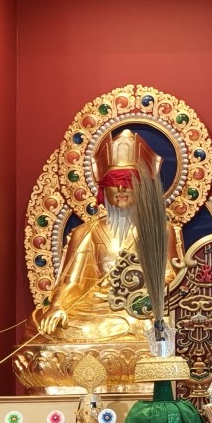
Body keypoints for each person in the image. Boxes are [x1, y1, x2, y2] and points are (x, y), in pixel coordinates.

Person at [28, 128, 183, 343]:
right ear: (102, 189)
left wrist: (138, 290)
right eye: (113, 182)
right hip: (94, 308)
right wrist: (57, 306)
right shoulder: (86, 232)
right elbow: (72, 281)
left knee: (152, 324)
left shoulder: (160, 229)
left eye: (128, 181)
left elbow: (172, 277)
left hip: (139, 306)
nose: (120, 188)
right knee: (38, 324)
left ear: (142, 188)